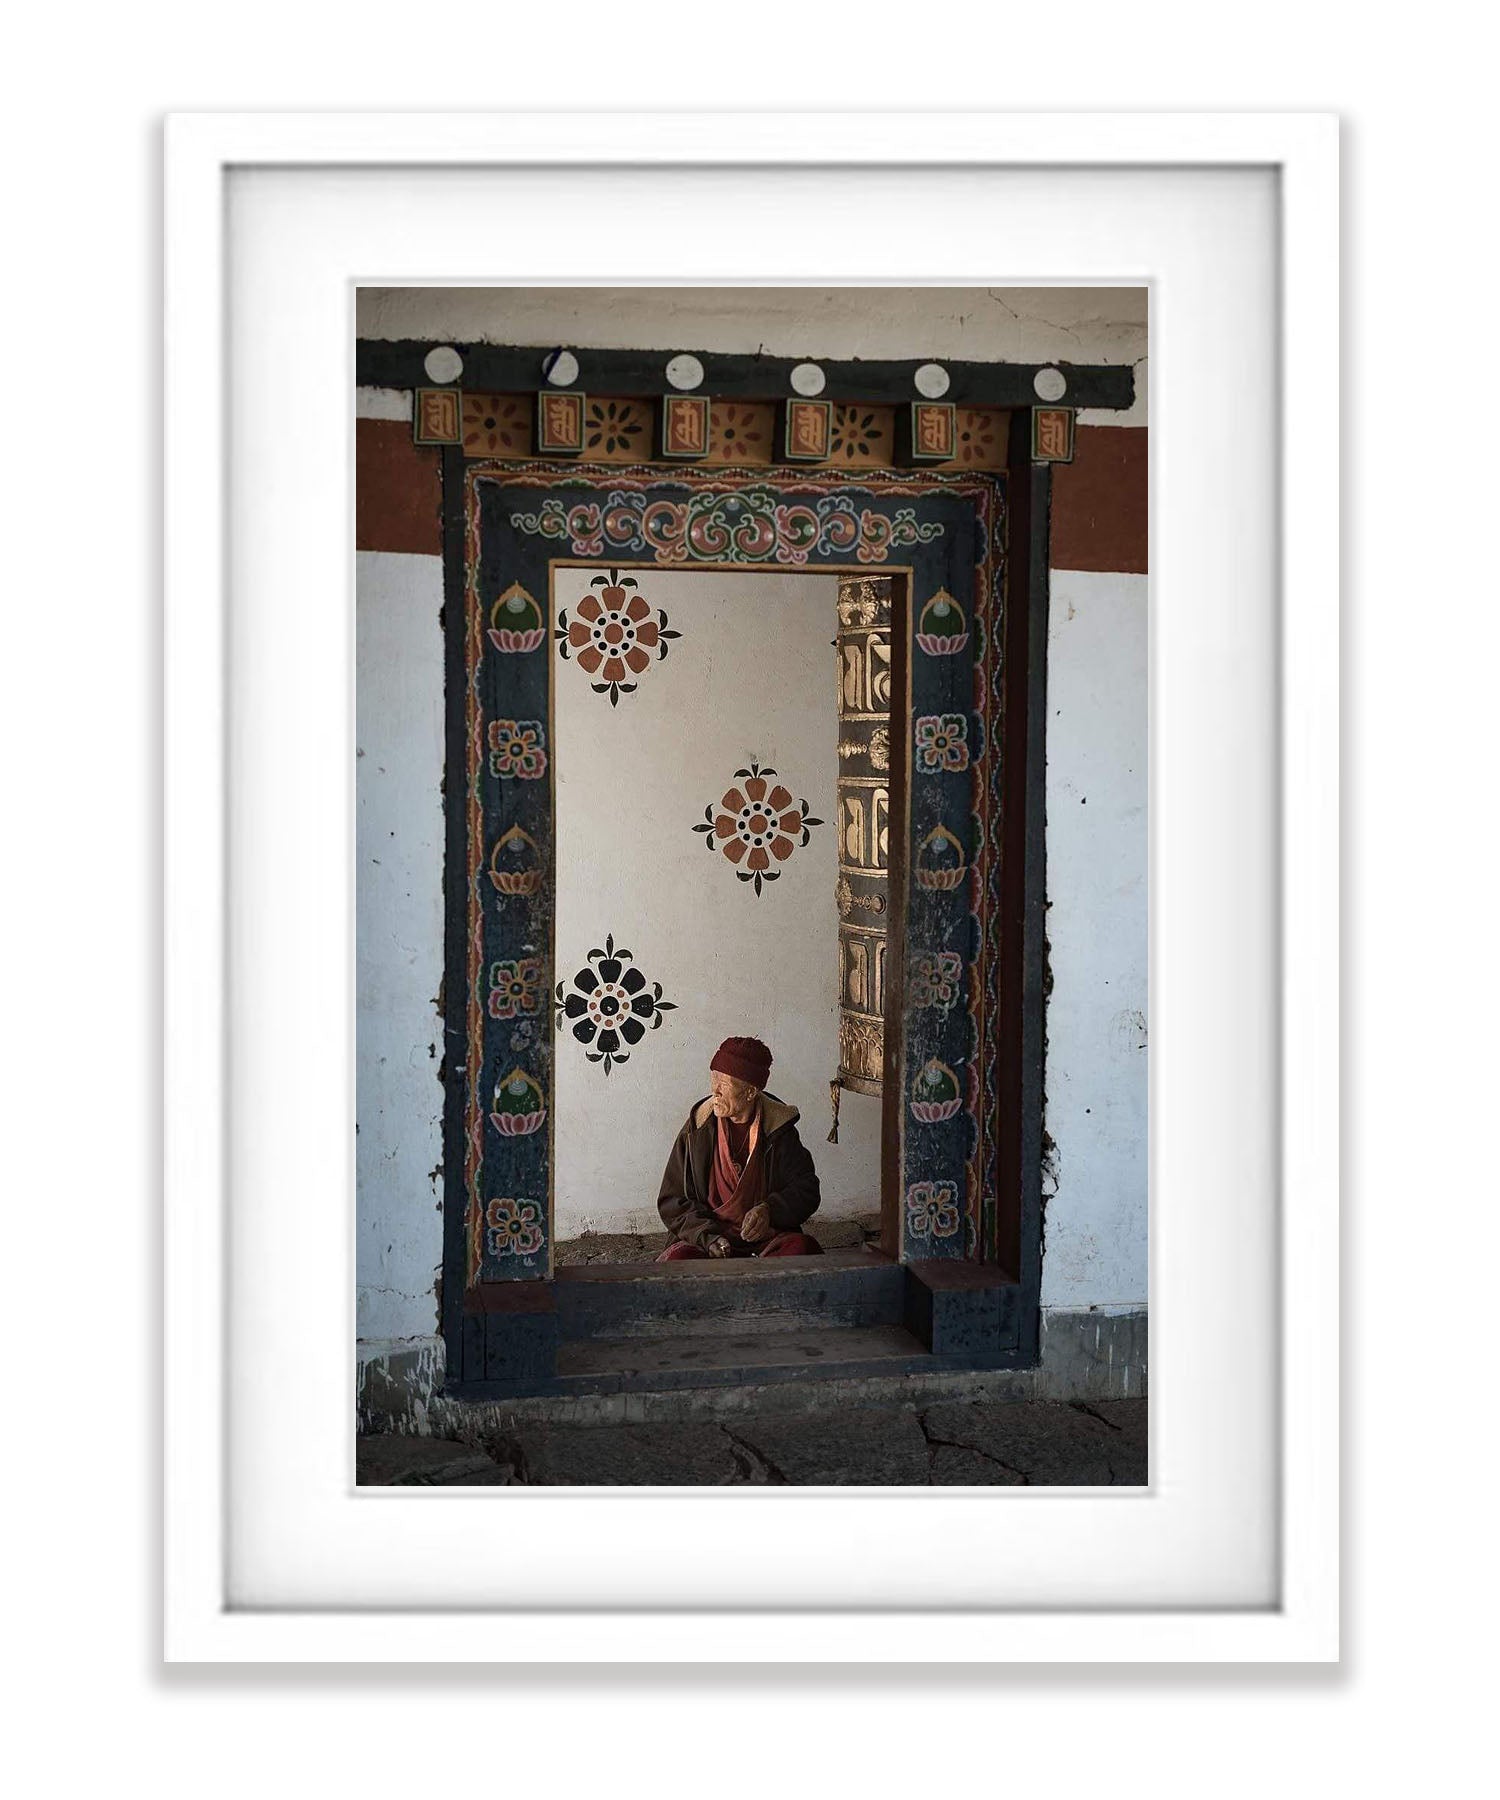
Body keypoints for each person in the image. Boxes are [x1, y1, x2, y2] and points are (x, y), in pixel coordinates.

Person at [655, 1036, 823, 1260]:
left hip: (764, 1237)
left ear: (750, 1092)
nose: (715, 1091)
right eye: (713, 1079)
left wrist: (769, 1211)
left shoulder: (778, 1129)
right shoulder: (698, 1129)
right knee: (679, 1263)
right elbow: (672, 1200)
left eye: (724, 1084)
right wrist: (707, 1236)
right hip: (707, 1238)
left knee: (802, 1251)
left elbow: (807, 1189)